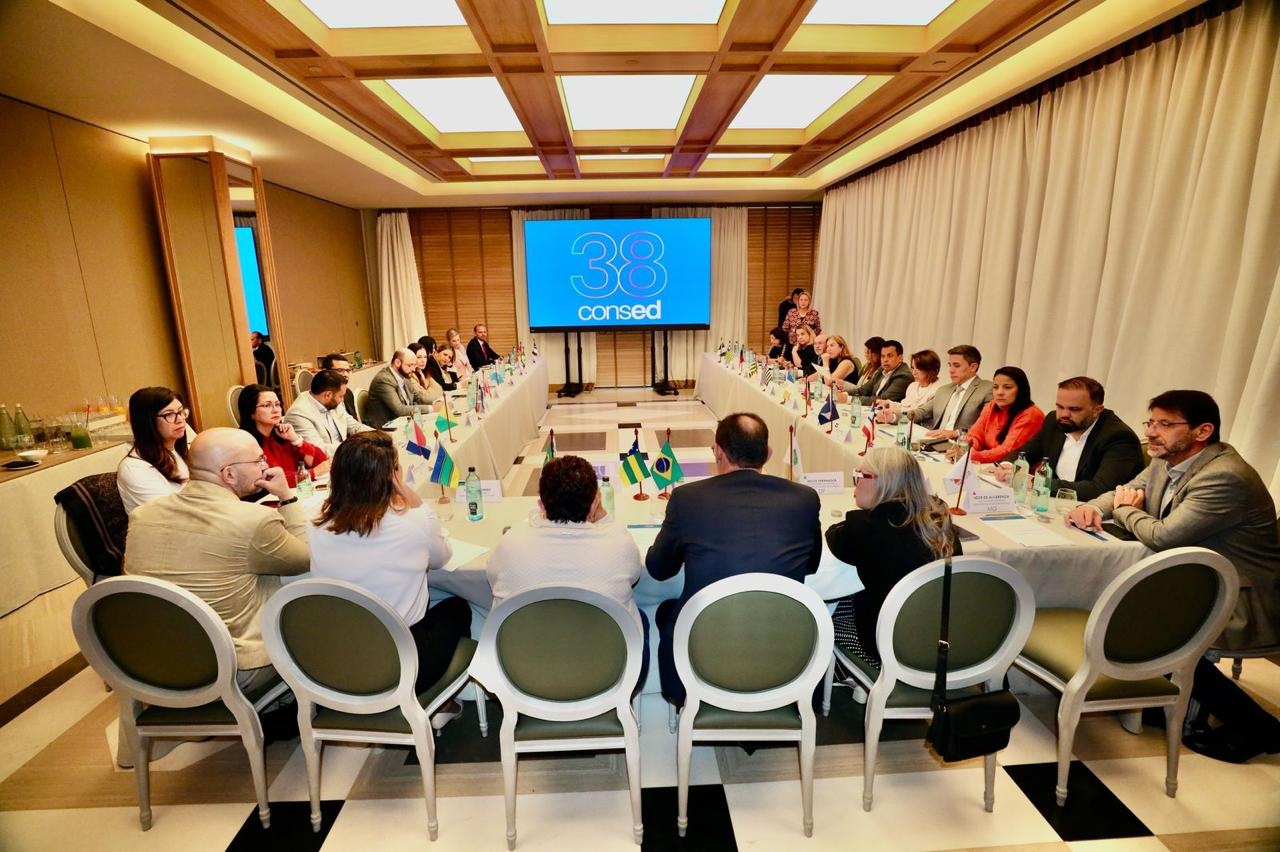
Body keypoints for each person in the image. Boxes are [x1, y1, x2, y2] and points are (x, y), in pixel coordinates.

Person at [1067, 390, 1280, 763]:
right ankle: (1157, 693)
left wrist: (1123, 510)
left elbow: (1164, 536)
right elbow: (1126, 491)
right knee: (1118, 599)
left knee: (1154, 626)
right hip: (1197, 579)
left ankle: (1258, 728)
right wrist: (1093, 509)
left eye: (1165, 424)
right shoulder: (1166, 458)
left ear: (1202, 431)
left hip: (1242, 596)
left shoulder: (1225, 476)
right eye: (1151, 422)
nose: (1151, 432)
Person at [646, 413, 822, 706]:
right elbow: (811, 565)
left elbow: (658, 569)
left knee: (667, 610)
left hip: (702, 651)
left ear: (717, 451)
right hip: (784, 652)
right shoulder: (804, 499)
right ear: (768, 454)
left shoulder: (688, 499)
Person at [124, 427, 310, 693]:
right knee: (320, 612)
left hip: (153, 666)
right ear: (229, 474)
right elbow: (305, 559)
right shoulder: (252, 520)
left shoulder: (142, 515)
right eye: (259, 460)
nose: (266, 465)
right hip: (231, 669)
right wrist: (287, 497)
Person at [308, 431, 471, 727]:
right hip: (403, 666)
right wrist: (417, 503)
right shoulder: (412, 523)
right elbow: (441, 558)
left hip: (338, 660)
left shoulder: (316, 524)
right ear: (392, 477)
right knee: (458, 607)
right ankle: (441, 703)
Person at [487, 455, 648, 686]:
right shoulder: (619, 543)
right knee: (641, 618)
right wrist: (601, 514)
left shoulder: (510, 542)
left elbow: (492, 579)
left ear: (541, 504)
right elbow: (634, 575)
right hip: (606, 674)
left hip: (523, 675)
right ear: (594, 503)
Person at [826, 447, 961, 672]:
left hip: (888, 647)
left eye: (860, 476)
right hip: (944, 641)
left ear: (885, 482)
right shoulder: (939, 518)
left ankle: (832, 680)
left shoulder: (864, 527)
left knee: (827, 612)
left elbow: (833, 536)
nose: (855, 483)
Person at [992, 376, 1143, 501]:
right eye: (1060, 407)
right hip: (1051, 503)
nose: (1064, 414)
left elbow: (1100, 489)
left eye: (1074, 409)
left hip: (1094, 513)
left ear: (1097, 410)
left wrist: (1035, 481)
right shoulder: (1054, 421)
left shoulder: (1119, 438)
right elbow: (1026, 452)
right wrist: (1007, 466)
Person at [117, 387, 193, 514]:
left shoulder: (181, 451)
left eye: (180, 412)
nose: (180, 419)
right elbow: (173, 514)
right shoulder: (134, 468)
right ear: (147, 422)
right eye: (169, 414)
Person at [238, 384, 330, 487]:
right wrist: (313, 473)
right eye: (267, 405)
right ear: (250, 412)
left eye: (277, 404)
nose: (275, 410)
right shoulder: (246, 444)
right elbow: (269, 480)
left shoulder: (283, 435)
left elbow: (321, 462)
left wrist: (296, 440)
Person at [948, 366, 1043, 463]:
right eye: (995, 387)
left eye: (1007, 387)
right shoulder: (991, 406)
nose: (999, 392)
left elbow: (1007, 451)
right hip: (989, 464)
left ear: (1021, 390)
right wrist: (963, 449)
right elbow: (975, 436)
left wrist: (970, 455)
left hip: (1015, 468)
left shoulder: (1031, 415)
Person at [282, 368, 370, 456]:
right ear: (328, 395)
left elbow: (355, 427)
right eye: (341, 396)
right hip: (325, 460)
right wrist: (356, 447)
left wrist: (377, 435)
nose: (342, 400)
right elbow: (319, 451)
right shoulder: (298, 414)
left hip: (343, 454)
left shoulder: (331, 401)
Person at [915, 345, 994, 439]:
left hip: (961, 443)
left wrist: (956, 433)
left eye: (956, 366)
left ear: (973, 367)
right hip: (934, 440)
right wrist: (899, 416)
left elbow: (988, 427)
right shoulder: (944, 390)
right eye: (950, 365)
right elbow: (922, 412)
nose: (951, 370)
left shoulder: (987, 389)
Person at [363, 348, 441, 427]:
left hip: (403, 422)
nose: (413, 369)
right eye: (410, 365)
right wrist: (432, 408)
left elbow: (418, 397)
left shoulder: (404, 375)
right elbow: (399, 410)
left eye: (414, 365)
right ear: (397, 362)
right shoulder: (384, 379)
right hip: (384, 426)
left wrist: (439, 401)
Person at [875, 350, 942, 423]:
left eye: (918, 369)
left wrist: (895, 413)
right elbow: (905, 406)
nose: (914, 373)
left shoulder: (938, 390)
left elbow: (918, 413)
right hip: (904, 422)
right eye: (912, 368)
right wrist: (889, 403)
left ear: (930, 370)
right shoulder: (913, 386)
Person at [845, 339, 912, 402]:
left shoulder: (904, 376)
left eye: (889, 356)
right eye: (883, 356)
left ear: (900, 358)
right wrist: (844, 394)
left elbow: (882, 400)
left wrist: (848, 399)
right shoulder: (881, 369)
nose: (885, 360)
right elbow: (862, 390)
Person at [321, 353, 358, 418]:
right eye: (340, 370)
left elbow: (354, 420)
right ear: (325, 372)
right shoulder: (320, 398)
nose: (345, 374)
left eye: (347, 371)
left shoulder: (348, 393)